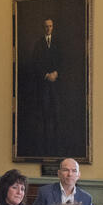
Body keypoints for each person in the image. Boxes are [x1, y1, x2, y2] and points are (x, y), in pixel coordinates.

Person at [30, 17, 62, 151]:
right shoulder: (38, 44)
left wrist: (56, 73)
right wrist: (46, 75)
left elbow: (62, 60)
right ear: (43, 28)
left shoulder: (58, 43)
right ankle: (44, 141)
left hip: (56, 84)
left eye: (50, 26)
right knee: (44, 112)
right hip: (43, 84)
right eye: (46, 26)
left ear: (53, 27)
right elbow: (35, 63)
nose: (48, 28)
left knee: (56, 111)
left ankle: (55, 139)